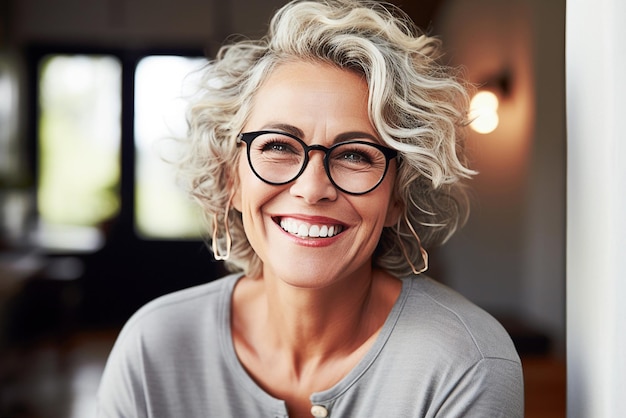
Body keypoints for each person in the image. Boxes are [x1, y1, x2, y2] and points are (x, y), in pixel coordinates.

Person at [96, 0, 524, 416]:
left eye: (356, 154)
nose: (312, 187)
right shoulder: (153, 348)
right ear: (232, 178)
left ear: (398, 195)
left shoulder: (465, 362)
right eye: (278, 146)